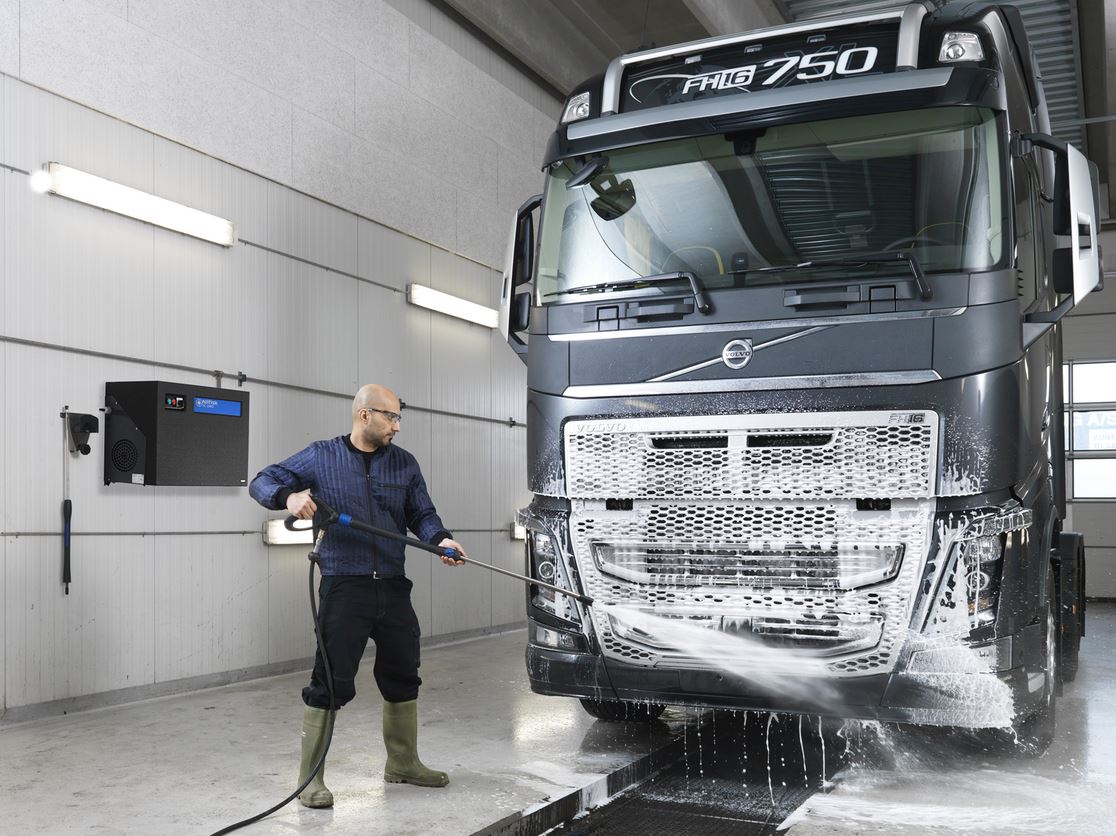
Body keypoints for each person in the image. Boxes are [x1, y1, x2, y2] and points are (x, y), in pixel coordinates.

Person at [249, 384, 467, 807]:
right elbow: (262, 481)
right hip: (344, 585)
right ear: (365, 414)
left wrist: (440, 539)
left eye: (399, 417)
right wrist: (289, 497)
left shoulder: (404, 464)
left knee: (403, 674)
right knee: (330, 681)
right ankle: (310, 780)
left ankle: (403, 762)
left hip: (393, 585)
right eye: (391, 417)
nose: (397, 426)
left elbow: (421, 513)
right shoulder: (322, 456)